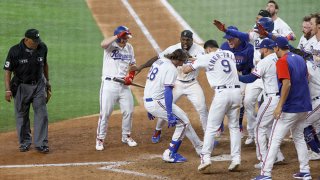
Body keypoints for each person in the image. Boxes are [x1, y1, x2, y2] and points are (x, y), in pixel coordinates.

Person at [253, 36, 312, 180]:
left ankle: (266, 173)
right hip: (304, 106)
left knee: (274, 139)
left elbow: (287, 84)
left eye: (275, 47)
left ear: (277, 48)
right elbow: (307, 77)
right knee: (299, 137)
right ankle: (305, 172)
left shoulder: (282, 61)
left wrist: (279, 107)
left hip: (290, 108)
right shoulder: (299, 58)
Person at [136, 30, 207, 145]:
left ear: (192, 40)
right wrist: (141, 66)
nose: (185, 42)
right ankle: (157, 130)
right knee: (165, 106)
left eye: (187, 40)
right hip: (176, 83)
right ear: (180, 39)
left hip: (192, 84)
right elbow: (157, 58)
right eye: (183, 39)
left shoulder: (200, 50)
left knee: (202, 108)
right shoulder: (173, 49)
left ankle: (207, 135)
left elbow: (206, 62)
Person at [183, 39, 242, 172]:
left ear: (208, 49)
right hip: (237, 93)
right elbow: (215, 61)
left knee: (211, 128)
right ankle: (236, 158)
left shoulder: (205, 57)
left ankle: (206, 158)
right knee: (234, 127)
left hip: (222, 94)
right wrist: (198, 59)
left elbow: (187, 70)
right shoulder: (229, 53)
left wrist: (189, 63)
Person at [144, 49, 202, 163]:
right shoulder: (171, 69)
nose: (183, 64)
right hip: (158, 102)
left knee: (184, 118)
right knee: (183, 123)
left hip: (150, 100)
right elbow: (168, 92)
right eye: (183, 61)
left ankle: (199, 147)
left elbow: (150, 83)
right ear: (178, 60)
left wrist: (149, 108)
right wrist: (169, 114)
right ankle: (170, 153)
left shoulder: (159, 61)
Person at [239, 38, 284, 169]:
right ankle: (278, 155)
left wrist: (235, 76)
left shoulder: (264, 62)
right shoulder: (279, 58)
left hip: (271, 99)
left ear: (265, 49)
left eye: (261, 49)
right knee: (270, 127)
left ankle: (264, 160)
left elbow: (251, 78)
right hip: (283, 98)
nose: (260, 51)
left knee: (259, 127)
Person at [3, 29, 50, 153]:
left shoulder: (42, 47)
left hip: (39, 85)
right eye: (34, 41)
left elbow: (45, 64)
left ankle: (41, 143)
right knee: (22, 115)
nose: (36, 43)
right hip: (21, 87)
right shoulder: (15, 51)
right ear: (26, 39)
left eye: (37, 41)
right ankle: (24, 142)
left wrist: (47, 83)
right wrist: (7, 90)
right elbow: (7, 71)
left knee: (42, 114)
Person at [95, 25, 138, 151]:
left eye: (127, 37)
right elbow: (103, 44)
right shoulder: (110, 46)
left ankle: (127, 136)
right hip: (109, 85)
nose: (126, 40)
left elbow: (132, 65)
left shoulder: (130, 48)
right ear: (118, 36)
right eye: (124, 37)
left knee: (129, 111)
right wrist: (117, 36)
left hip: (123, 86)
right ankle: (100, 139)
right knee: (105, 113)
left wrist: (130, 76)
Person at [213, 20, 254, 144]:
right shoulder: (224, 47)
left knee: (240, 102)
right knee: (220, 99)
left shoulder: (249, 48)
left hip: (242, 77)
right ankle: (219, 125)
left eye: (231, 38)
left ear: (238, 38)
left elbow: (249, 67)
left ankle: (240, 125)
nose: (229, 41)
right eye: (227, 39)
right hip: (226, 78)